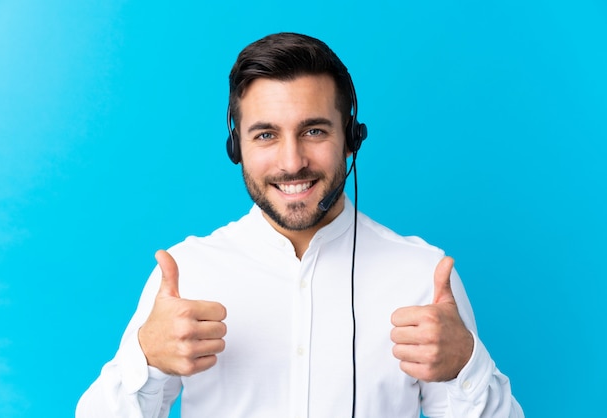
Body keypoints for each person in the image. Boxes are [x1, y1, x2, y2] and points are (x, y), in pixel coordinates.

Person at [76, 32, 524, 417]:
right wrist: (146, 360)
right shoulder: (188, 273)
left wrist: (466, 364)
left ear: (350, 139)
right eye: (266, 134)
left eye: (314, 131)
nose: (292, 162)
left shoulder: (423, 275)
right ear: (237, 146)